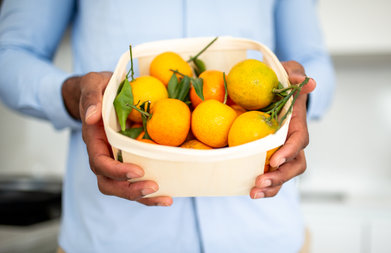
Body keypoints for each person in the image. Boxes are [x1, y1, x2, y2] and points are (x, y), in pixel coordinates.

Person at [0, 0, 335, 252]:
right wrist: (74, 96)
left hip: (263, 236)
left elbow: (315, 60)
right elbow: (11, 54)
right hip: (114, 238)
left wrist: (298, 96)